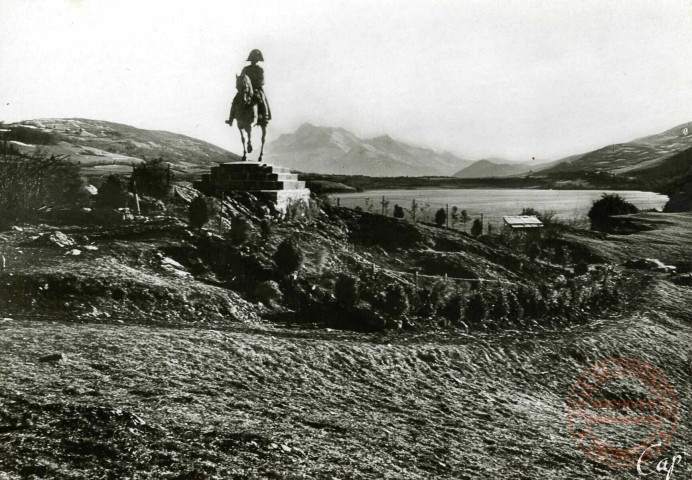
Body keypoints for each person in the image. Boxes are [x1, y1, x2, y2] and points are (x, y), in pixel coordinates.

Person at [241, 49, 272, 125]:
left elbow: (262, 80)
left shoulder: (260, 70)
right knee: (236, 99)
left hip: (256, 88)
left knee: (261, 98)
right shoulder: (246, 69)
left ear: (257, 60)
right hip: (246, 88)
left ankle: (265, 115)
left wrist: (256, 84)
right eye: (252, 60)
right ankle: (231, 117)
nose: (254, 61)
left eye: (255, 60)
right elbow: (242, 78)